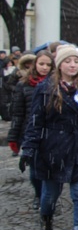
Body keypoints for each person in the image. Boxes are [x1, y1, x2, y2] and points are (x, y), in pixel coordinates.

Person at [19, 45, 78, 230]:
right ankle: (46, 218)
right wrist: (28, 148)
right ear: (59, 64)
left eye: (75, 61)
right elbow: (35, 121)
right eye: (67, 61)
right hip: (53, 150)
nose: (72, 65)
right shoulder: (45, 89)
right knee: (50, 194)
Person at [10, 51, 53, 209]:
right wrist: (13, 136)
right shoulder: (24, 84)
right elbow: (18, 112)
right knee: (34, 168)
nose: (44, 68)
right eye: (41, 64)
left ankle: (48, 197)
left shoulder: (55, 84)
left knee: (49, 167)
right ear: (34, 64)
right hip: (30, 130)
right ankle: (39, 194)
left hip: (51, 131)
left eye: (48, 65)